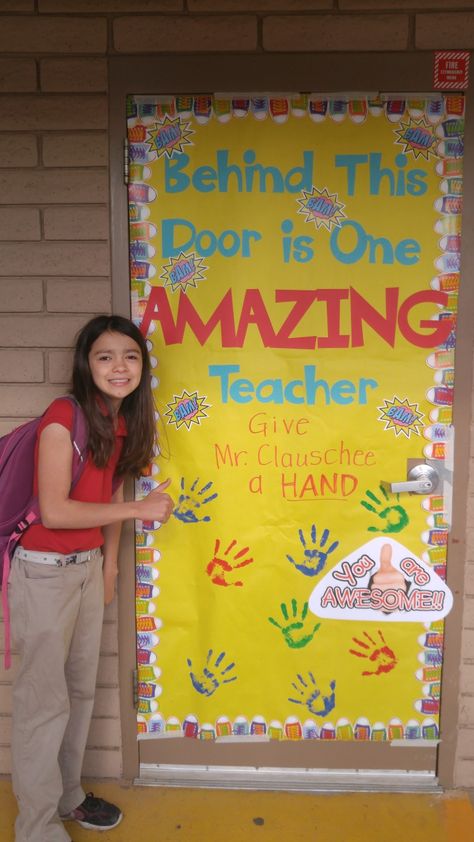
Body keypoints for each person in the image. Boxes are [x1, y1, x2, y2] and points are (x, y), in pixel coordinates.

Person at [8, 314, 174, 842]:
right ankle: (36, 827)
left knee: (79, 692)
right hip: (42, 574)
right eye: (105, 356)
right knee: (42, 702)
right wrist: (140, 511)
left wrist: (109, 566)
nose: (118, 367)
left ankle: (68, 796)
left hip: (83, 572)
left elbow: (111, 501)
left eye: (129, 356)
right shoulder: (64, 415)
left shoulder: (121, 421)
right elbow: (55, 511)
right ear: (86, 364)